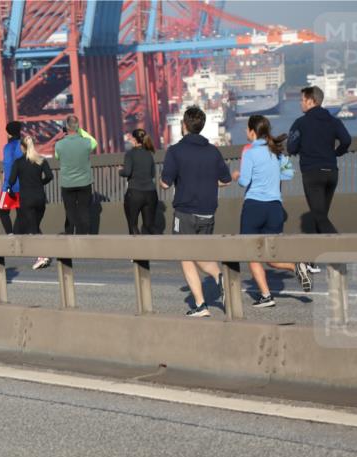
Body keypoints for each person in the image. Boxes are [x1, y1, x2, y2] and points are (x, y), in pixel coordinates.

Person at [160, 106, 233, 317]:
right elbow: (225, 181)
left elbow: (166, 183)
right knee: (199, 253)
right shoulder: (213, 151)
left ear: (184, 125)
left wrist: (162, 181)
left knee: (186, 255)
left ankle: (204, 301)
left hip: (185, 212)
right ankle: (217, 280)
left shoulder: (175, 151)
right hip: (208, 212)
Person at [233, 115, 310, 307]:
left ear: (252, 131)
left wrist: (236, 175)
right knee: (270, 256)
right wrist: (272, 174)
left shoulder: (250, 152)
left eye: (246, 129)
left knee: (251, 254)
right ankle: (296, 265)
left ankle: (266, 296)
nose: (245, 132)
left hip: (254, 208)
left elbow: (244, 181)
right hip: (275, 207)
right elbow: (289, 174)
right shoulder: (277, 151)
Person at [287, 85, 352, 240]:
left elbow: (291, 147)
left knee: (320, 217)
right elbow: (347, 140)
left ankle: (340, 252)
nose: (300, 103)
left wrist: (297, 149)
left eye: (302, 100)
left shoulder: (300, 123)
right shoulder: (333, 121)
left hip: (312, 174)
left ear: (311, 101)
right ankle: (322, 259)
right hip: (331, 173)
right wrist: (337, 153)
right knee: (321, 216)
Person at [8, 135, 54, 270]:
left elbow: (11, 181)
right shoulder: (41, 160)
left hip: (26, 199)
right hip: (40, 198)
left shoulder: (18, 162)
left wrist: (10, 190)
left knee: (33, 228)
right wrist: (40, 183)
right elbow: (50, 176)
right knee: (35, 226)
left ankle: (42, 256)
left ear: (22, 147)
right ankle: (43, 254)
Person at [55, 115, 94, 235]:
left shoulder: (59, 145)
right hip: (84, 182)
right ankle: (86, 237)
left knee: (70, 211)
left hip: (67, 183)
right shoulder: (87, 143)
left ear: (66, 127)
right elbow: (94, 143)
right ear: (78, 127)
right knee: (84, 211)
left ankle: (70, 238)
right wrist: (80, 131)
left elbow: (57, 157)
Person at [119, 129, 160, 235]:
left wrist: (120, 171)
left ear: (134, 139)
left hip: (135, 193)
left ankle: (136, 250)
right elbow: (152, 174)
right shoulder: (149, 154)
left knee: (133, 225)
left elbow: (127, 172)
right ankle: (160, 246)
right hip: (151, 193)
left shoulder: (130, 154)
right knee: (149, 226)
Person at [0, 120, 24, 235]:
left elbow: (8, 166)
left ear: (8, 134)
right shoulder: (24, 145)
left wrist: (8, 185)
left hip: (10, 186)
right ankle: (17, 233)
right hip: (23, 185)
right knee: (21, 212)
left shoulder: (7, 148)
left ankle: (11, 234)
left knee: (2, 211)